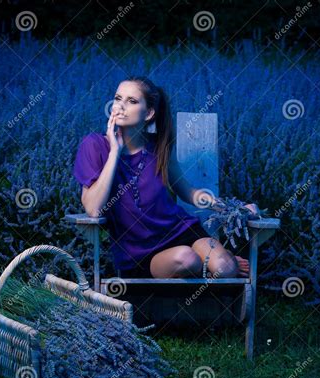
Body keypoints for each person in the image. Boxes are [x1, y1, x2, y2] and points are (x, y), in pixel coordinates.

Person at [73, 76, 257, 279]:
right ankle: (206, 261)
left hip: (180, 230)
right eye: (118, 98)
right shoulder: (94, 145)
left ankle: (220, 259)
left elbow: (188, 192)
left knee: (225, 268)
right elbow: (93, 208)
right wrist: (114, 153)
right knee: (188, 259)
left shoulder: (159, 147)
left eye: (132, 101)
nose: (120, 106)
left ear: (149, 113)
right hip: (140, 251)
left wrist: (233, 209)